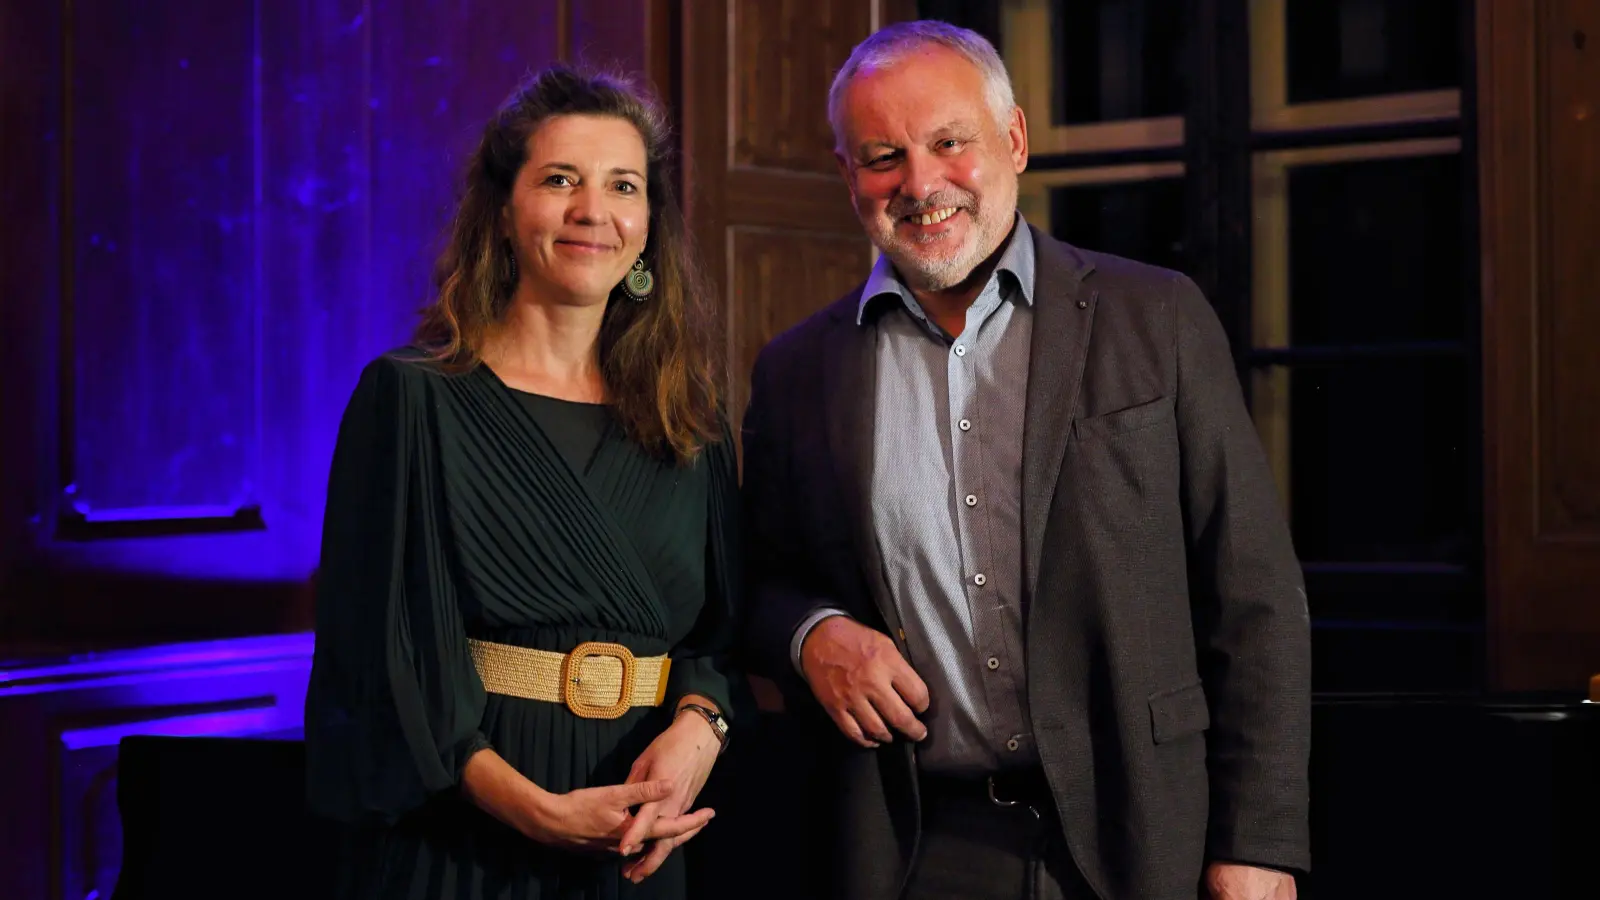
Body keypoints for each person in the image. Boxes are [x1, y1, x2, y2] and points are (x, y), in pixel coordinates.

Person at [740, 21, 1309, 900]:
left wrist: (1256, 844)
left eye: (949, 142)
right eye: (884, 157)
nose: (920, 184)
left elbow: (1254, 593)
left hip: (1145, 836)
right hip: (916, 850)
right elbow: (757, 582)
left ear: (1013, 139)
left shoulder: (1156, 318)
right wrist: (809, 635)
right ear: (848, 175)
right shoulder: (795, 371)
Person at [304, 65, 743, 900]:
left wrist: (700, 727)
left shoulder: (690, 417)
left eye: (623, 186)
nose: (593, 211)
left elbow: (718, 641)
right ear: (503, 212)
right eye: (560, 180)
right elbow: (379, 661)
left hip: (639, 844)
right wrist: (534, 810)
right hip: (461, 843)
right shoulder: (411, 398)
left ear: (648, 226)